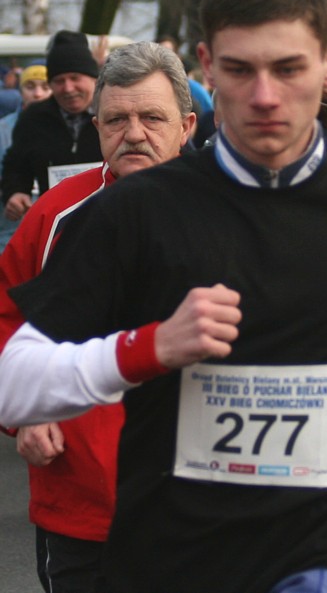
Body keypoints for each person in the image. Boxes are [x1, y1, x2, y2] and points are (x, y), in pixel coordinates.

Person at [0, 0, 327, 593]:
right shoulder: (135, 214)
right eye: (241, 70)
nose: (265, 96)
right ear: (208, 66)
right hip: (175, 554)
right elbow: (13, 384)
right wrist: (149, 348)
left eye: (289, 68)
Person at [0, 42, 196, 593]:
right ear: (97, 127)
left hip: (203, 505)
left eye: (152, 118)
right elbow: (6, 320)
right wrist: (25, 411)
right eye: (116, 120)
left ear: (186, 126)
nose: (133, 134)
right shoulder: (54, 213)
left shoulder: (232, 211)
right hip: (82, 504)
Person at [2, 31, 103, 221]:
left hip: (110, 219)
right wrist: (15, 192)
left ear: (94, 79)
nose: (68, 88)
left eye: (75, 78)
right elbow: (15, 164)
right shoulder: (34, 117)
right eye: (59, 81)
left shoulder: (113, 114)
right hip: (55, 223)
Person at [0, 64, 51, 250]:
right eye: (30, 87)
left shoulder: (66, 128)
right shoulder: (3, 129)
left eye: (45, 87)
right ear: (20, 91)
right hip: (11, 232)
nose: (37, 94)